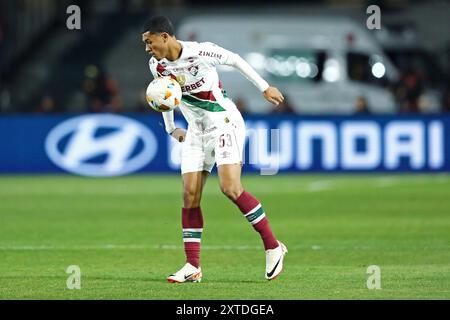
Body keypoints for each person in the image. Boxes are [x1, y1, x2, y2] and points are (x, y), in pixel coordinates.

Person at [141, 16, 287, 283]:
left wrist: (265, 88)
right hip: (196, 131)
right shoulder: (157, 66)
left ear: (164, 37)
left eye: (149, 42)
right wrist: (171, 127)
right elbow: (164, 97)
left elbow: (235, 59)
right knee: (189, 195)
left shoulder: (199, 51)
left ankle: (272, 245)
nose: (148, 49)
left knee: (230, 188)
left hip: (224, 123)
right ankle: (192, 265)